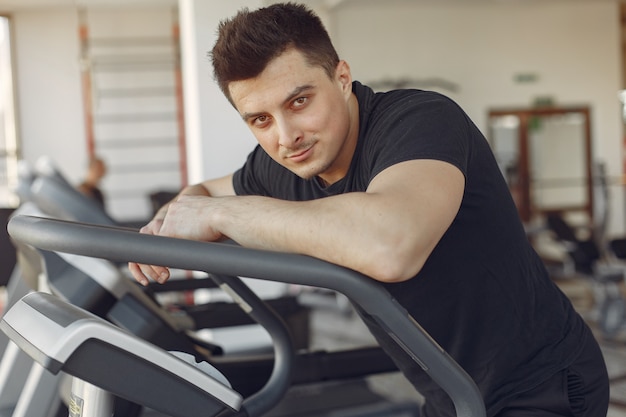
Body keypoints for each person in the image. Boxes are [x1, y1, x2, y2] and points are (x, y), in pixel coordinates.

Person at [129, 3, 609, 416]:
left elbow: (390, 245)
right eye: (260, 119)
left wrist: (221, 217)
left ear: (341, 77)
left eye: (299, 101)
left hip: (542, 384)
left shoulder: (420, 121)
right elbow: (204, 194)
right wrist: (172, 216)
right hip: (451, 393)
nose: (285, 136)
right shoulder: (284, 163)